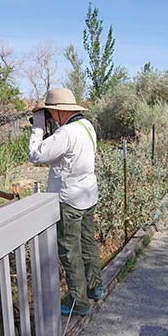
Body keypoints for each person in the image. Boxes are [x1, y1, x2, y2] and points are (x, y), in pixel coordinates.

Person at [29, 88, 103, 316]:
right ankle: (94, 286)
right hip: (88, 194)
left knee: (69, 251)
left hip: (69, 200)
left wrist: (38, 127)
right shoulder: (86, 126)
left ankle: (78, 301)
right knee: (87, 242)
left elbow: (36, 155)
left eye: (50, 113)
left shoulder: (66, 133)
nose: (50, 116)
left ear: (58, 111)